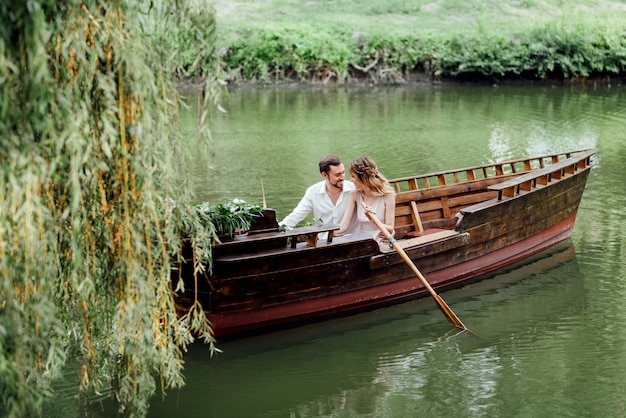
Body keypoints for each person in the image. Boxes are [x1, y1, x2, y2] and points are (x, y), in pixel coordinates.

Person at [279, 154, 360, 240]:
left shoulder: (354, 189)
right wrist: (279, 228)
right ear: (325, 175)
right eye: (337, 175)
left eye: (343, 172)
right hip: (324, 243)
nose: (342, 177)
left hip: (352, 241)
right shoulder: (313, 192)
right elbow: (296, 215)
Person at [336, 156, 395, 252]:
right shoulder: (354, 195)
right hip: (364, 244)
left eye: (353, 176)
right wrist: (328, 233)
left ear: (363, 177)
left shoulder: (388, 195)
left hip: (382, 244)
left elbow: (390, 229)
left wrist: (374, 221)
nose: (351, 180)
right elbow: (343, 226)